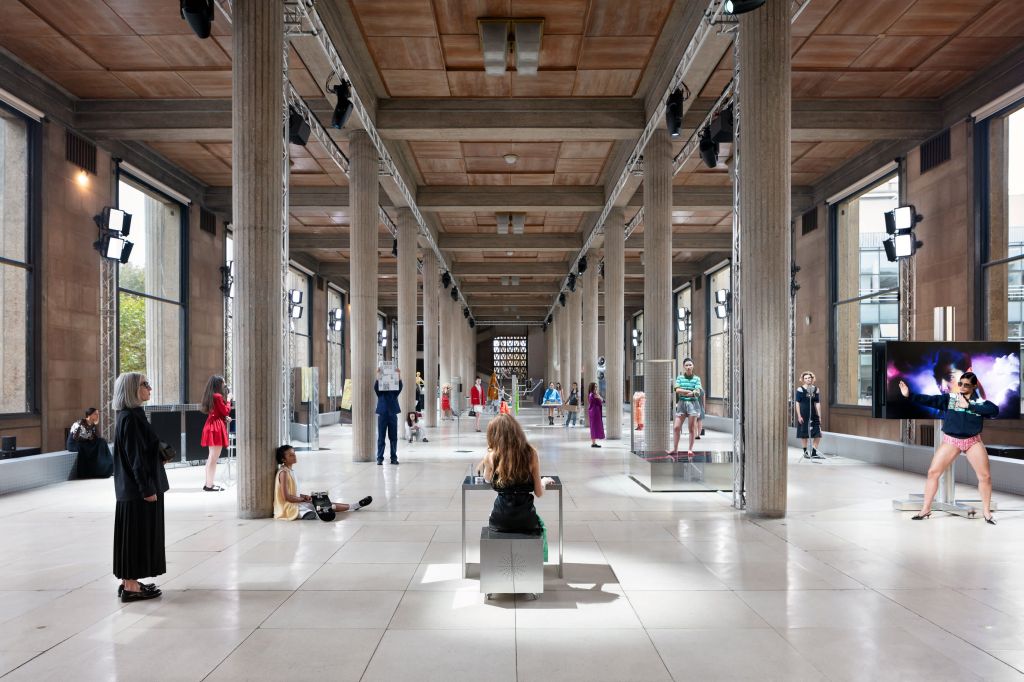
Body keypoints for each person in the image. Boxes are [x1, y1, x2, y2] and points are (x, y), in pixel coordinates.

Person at [899, 373, 999, 523]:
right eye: (960, 384)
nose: (962, 387)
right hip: (951, 441)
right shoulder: (951, 398)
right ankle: (926, 509)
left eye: (966, 385)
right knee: (933, 472)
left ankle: (986, 512)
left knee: (985, 477)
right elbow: (930, 400)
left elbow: (994, 411)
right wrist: (909, 395)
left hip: (973, 441)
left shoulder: (981, 402)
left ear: (974, 386)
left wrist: (970, 406)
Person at [112, 372, 167, 603]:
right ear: (133, 389)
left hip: (131, 489)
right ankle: (131, 587)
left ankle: (129, 581)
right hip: (138, 491)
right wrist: (147, 489)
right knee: (136, 536)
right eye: (145, 384)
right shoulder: (131, 418)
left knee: (132, 536)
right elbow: (136, 458)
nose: (149, 388)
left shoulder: (129, 415)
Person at [476, 415, 554, 545]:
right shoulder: (531, 453)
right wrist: (544, 481)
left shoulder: (491, 456)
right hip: (526, 519)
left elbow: (487, 479)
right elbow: (539, 493)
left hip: (500, 520)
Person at [274, 445, 371, 520]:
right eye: (291, 455)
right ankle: (311, 513)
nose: (294, 456)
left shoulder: (290, 471)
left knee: (323, 502)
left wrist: (304, 496)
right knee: (317, 507)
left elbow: (294, 492)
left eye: (294, 453)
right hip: (289, 506)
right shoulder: (283, 473)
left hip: (297, 502)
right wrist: (302, 499)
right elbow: (286, 497)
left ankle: (355, 505)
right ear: (283, 459)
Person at [199, 375, 231, 491]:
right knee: (213, 458)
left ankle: (208, 483)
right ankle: (209, 485)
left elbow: (218, 412)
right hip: (216, 428)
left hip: (211, 425)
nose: (224, 385)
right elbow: (226, 410)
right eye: (223, 383)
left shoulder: (211, 395)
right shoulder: (218, 396)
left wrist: (224, 418)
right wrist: (229, 400)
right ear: (218, 384)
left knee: (211, 457)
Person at [68, 407, 113, 478]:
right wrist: (89, 438)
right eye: (95, 414)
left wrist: (94, 428)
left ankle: (106, 468)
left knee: (102, 442)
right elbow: (75, 438)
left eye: (98, 414)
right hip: (75, 444)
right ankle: (93, 471)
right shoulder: (79, 423)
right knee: (89, 448)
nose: (97, 416)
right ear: (89, 415)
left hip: (85, 443)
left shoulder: (92, 425)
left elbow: (96, 438)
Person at [672, 359, 703, 456]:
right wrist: (689, 392)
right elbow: (677, 390)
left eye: (690, 365)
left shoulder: (697, 379)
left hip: (693, 404)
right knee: (676, 427)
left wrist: (692, 393)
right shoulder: (680, 378)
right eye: (686, 365)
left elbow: (698, 391)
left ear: (693, 366)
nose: (688, 367)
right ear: (684, 367)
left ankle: (690, 449)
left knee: (691, 429)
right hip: (681, 404)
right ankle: (675, 449)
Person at [374, 367, 403, 465]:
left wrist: (398, 375)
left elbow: (400, 386)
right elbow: (376, 387)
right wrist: (378, 375)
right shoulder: (380, 392)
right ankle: (379, 458)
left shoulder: (394, 391)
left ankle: (393, 458)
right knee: (381, 437)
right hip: (382, 414)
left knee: (393, 437)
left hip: (392, 414)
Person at [794, 371, 824, 459]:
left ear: (812, 379)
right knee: (804, 434)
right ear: (803, 380)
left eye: (809, 378)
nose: (808, 379)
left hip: (813, 414)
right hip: (803, 414)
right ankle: (805, 452)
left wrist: (819, 416)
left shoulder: (816, 389)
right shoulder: (800, 389)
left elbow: (817, 403)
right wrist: (799, 416)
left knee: (818, 433)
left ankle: (814, 453)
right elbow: (797, 403)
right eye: (806, 378)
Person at [587, 382, 605, 448]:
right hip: (594, 412)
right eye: (595, 386)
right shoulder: (593, 394)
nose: (596, 388)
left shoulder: (592, 394)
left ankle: (594, 442)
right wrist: (599, 397)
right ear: (592, 387)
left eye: (596, 386)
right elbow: (601, 400)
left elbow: (602, 400)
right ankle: (593, 443)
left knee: (594, 427)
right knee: (594, 427)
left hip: (595, 412)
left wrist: (599, 397)